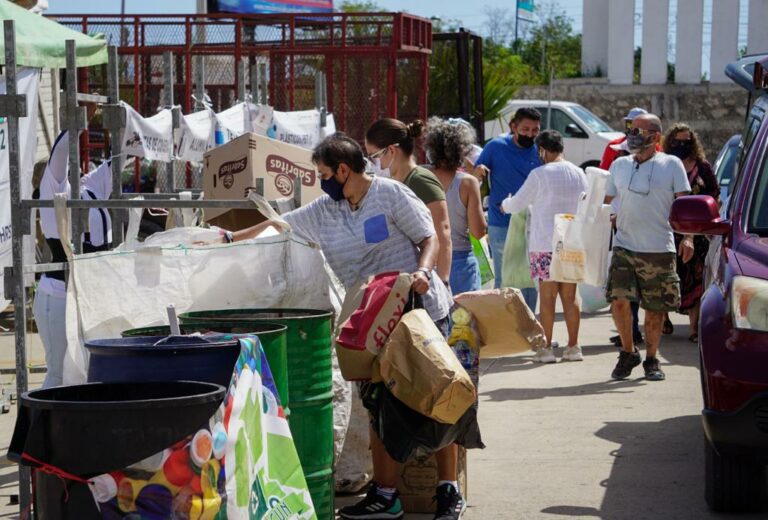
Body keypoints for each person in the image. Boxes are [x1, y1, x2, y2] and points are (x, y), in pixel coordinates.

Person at [214, 133, 462, 520]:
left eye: (324, 174)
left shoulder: (390, 194)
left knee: (435, 398)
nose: (321, 181)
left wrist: (424, 272)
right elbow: (278, 225)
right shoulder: (326, 210)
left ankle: (449, 490)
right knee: (378, 406)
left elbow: (428, 236)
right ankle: (386, 495)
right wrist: (229, 238)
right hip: (371, 323)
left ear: (343, 170)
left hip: (418, 311)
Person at [604, 114, 694, 381]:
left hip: (659, 248)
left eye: (638, 131)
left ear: (655, 137)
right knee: (619, 302)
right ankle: (628, 351)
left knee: (655, 308)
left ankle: (652, 359)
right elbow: (606, 201)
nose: (632, 134)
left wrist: (688, 237)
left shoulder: (671, 164)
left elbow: (685, 205)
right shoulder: (619, 165)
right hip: (624, 246)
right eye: (630, 129)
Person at [34, 120, 114, 389]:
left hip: (85, 298)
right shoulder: (55, 190)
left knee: (84, 376)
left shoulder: (89, 188)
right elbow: (60, 153)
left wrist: (129, 128)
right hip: (59, 296)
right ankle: (38, 418)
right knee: (59, 376)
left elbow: (118, 160)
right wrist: (76, 122)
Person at [501, 130, 588, 363]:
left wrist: (504, 205)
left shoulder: (539, 174)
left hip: (544, 244)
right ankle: (574, 347)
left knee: (547, 298)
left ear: (542, 150)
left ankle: (546, 348)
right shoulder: (578, 173)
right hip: (571, 242)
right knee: (570, 296)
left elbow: (517, 203)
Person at [364, 118, 453, 289]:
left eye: (374, 157)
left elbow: (443, 232)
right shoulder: (394, 183)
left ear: (391, 150)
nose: (373, 164)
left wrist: (442, 282)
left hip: (426, 282)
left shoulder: (420, 180)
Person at [473, 107, 542, 312]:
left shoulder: (541, 150)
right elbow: (475, 174)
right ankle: (503, 323)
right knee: (505, 276)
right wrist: (478, 172)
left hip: (533, 225)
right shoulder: (496, 146)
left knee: (531, 278)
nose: (530, 134)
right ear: (513, 127)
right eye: (525, 129)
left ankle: (528, 322)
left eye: (535, 130)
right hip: (501, 223)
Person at [663, 123, 720, 342]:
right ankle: (664, 319)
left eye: (686, 141)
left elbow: (714, 194)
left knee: (696, 279)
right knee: (667, 275)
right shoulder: (663, 166)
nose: (681, 146)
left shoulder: (702, 167)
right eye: (677, 141)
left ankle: (694, 328)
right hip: (668, 231)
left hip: (697, 232)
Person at [601, 107, 651, 348]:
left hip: (646, 228)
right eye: (630, 124)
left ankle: (638, 330)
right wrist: (607, 215)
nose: (633, 129)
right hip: (619, 227)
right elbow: (605, 186)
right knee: (623, 285)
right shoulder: (615, 152)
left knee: (643, 284)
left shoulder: (656, 155)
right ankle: (630, 331)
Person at [424, 117, 486, 294]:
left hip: (427, 259)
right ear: (462, 149)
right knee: (463, 312)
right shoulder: (468, 183)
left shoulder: (420, 175)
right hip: (461, 263)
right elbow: (478, 231)